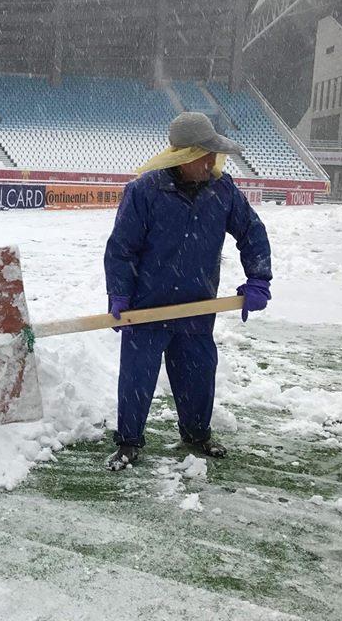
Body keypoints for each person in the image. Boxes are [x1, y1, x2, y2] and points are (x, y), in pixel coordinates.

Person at [104, 112, 272, 470]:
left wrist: (259, 278)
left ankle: (197, 435)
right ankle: (129, 442)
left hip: (196, 308)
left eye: (214, 154)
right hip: (147, 309)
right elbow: (122, 249)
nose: (212, 162)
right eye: (205, 155)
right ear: (184, 156)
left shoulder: (222, 191)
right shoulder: (144, 192)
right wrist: (119, 294)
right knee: (136, 379)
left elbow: (251, 232)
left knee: (198, 374)